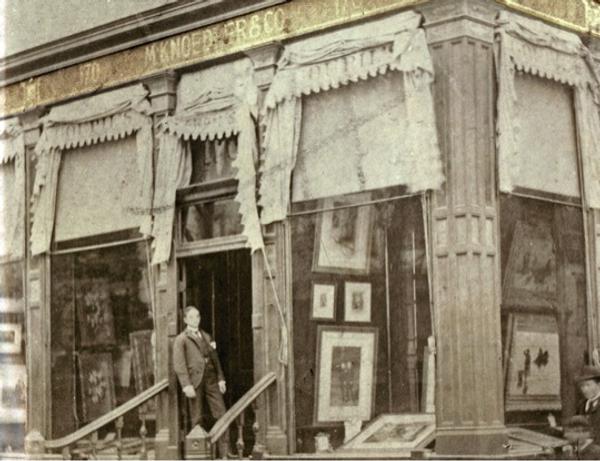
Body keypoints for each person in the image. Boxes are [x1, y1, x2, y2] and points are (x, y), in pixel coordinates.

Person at [173, 306, 230, 458]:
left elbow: (215, 359)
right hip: (194, 382)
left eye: (197, 316)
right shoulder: (181, 339)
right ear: (185, 319)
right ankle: (196, 455)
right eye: (191, 317)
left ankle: (224, 453)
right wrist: (186, 385)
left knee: (221, 414)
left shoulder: (206, 336)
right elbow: (179, 365)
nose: (195, 320)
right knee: (196, 417)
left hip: (211, 379)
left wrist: (220, 379)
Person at [568, 365, 600, 459]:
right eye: (582, 386)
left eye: (588, 385)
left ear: (598, 385)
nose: (585, 389)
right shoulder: (582, 405)